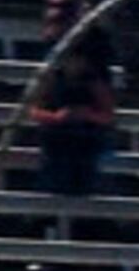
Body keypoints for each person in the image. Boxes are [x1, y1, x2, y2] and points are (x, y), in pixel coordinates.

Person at [31, 46, 116, 198]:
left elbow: (108, 116)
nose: (73, 63)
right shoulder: (51, 79)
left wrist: (86, 114)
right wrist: (57, 117)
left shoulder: (94, 82)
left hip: (87, 142)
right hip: (55, 142)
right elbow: (34, 110)